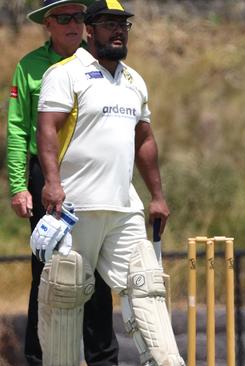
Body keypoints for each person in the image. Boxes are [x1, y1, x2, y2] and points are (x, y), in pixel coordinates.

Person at [34, 0, 185, 364]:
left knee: (146, 287)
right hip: (75, 207)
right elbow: (47, 128)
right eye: (107, 23)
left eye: (123, 25)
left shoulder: (134, 80)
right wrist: (52, 182)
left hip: (124, 207)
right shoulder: (66, 73)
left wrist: (157, 196)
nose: (117, 30)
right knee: (66, 292)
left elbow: (145, 140)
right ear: (89, 30)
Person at [6, 0, 119, 364]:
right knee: (48, 270)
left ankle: (101, 357)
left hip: (91, 175)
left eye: (79, 18)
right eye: (64, 18)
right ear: (48, 25)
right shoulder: (30, 67)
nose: (74, 24)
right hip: (47, 178)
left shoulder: (101, 62)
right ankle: (42, 359)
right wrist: (19, 186)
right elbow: (18, 130)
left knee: (96, 272)